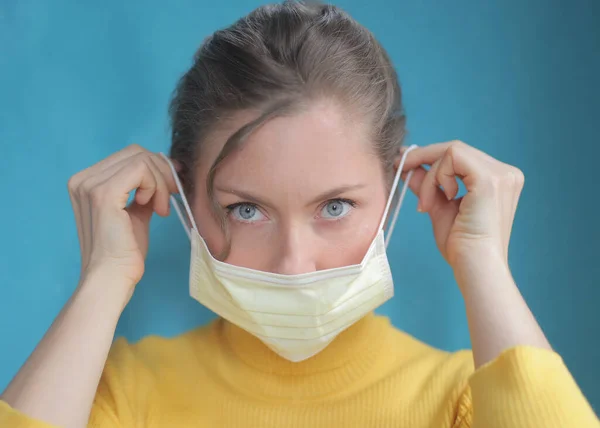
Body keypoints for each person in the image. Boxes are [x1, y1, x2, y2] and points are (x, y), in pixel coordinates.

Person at [1, 1, 598, 427]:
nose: (294, 266)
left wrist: (483, 262)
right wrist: (103, 277)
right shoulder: (119, 395)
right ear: (180, 195)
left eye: (334, 207)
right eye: (246, 209)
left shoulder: (464, 402)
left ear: (397, 188)